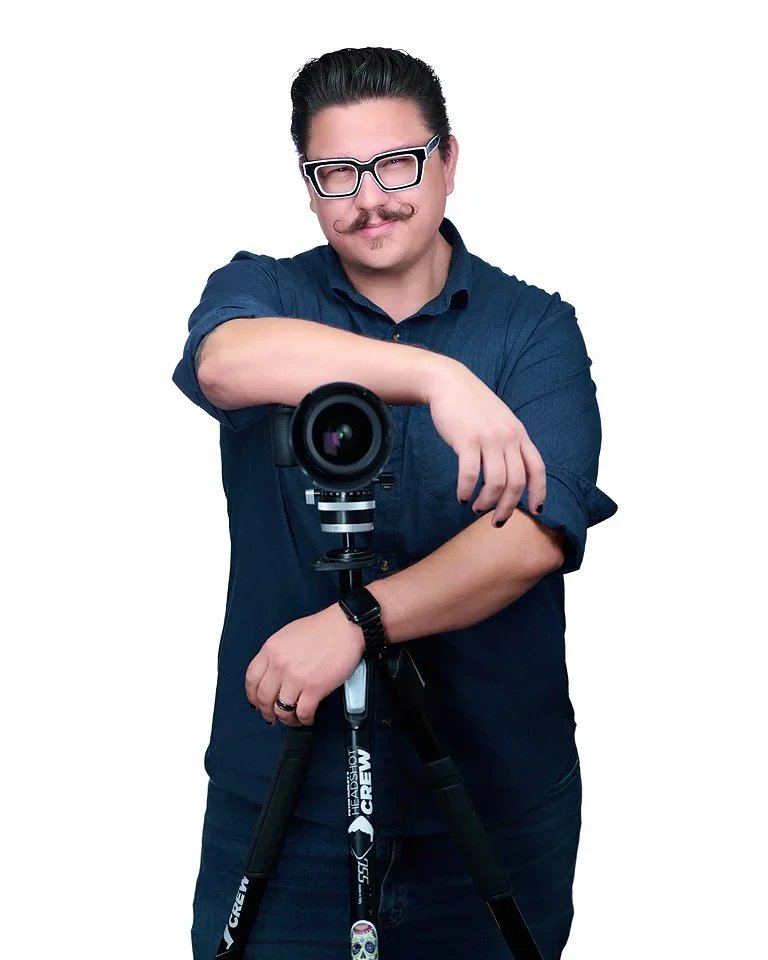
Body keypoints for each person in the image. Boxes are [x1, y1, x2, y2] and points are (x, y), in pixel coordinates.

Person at [172, 46, 618, 960]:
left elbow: (534, 535)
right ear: (308, 186)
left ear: (449, 160)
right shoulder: (266, 294)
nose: (369, 197)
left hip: (492, 791)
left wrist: (357, 622)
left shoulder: (533, 329)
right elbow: (224, 364)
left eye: (396, 164)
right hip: (285, 797)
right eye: (336, 174)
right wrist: (433, 378)